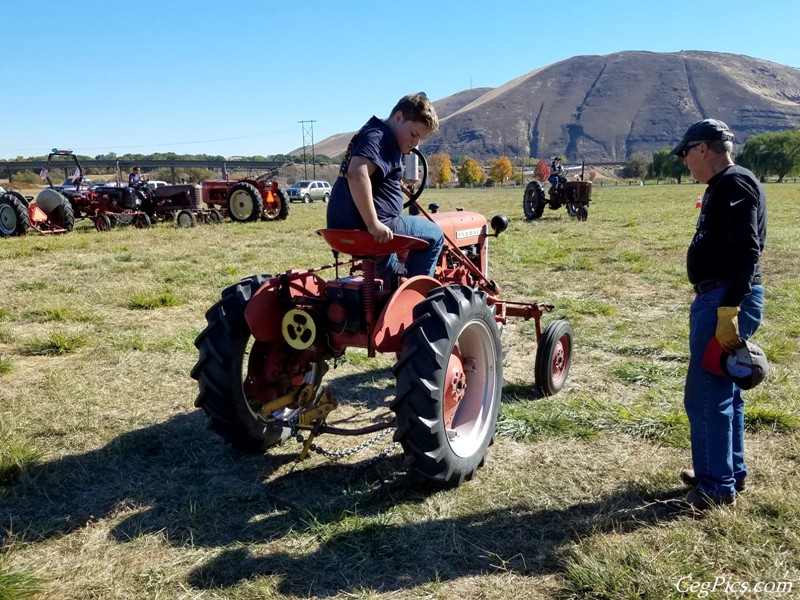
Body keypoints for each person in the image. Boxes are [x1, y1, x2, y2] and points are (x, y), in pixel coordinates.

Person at [669, 118, 767, 511]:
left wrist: (732, 305)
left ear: (702, 149)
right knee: (725, 390)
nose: (684, 162)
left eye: (686, 154)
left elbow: (748, 248)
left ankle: (715, 486)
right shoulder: (725, 185)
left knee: (706, 394)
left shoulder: (733, 183)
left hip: (725, 299)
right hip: (722, 298)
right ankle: (728, 471)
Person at [327, 93, 444, 282]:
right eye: (413, 134)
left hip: (340, 223)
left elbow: (370, 173)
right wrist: (374, 224)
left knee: (387, 255)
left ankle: (390, 289)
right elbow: (357, 173)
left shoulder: (372, 131)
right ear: (398, 117)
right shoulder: (381, 137)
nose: (415, 143)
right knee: (435, 235)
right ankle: (417, 298)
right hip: (369, 225)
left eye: (420, 139)